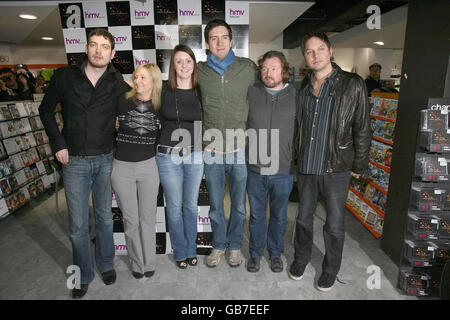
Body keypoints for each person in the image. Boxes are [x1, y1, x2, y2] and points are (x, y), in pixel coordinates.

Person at [39, 29, 129, 299]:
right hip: (74, 160)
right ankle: (83, 274)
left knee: (103, 217)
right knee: (78, 225)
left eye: (104, 47)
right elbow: (45, 110)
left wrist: (121, 121)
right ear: (86, 49)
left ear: (113, 53)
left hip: (105, 159)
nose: (98, 51)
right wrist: (58, 143)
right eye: (94, 45)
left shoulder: (117, 82)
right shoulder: (64, 77)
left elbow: (137, 105)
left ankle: (105, 264)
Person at [289, 32, 371, 292]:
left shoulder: (353, 84)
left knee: (334, 225)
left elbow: (363, 128)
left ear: (331, 50)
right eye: (310, 51)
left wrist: (360, 164)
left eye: (320, 49)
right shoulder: (304, 85)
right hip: (307, 166)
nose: (315, 55)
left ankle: (330, 270)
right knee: (303, 219)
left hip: (337, 167)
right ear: (305, 57)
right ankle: (301, 259)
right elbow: (298, 126)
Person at [197, 19, 258, 268]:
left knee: (239, 207)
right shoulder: (199, 71)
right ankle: (219, 246)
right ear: (207, 44)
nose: (219, 42)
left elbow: (265, 97)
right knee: (215, 206)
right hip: (212, 150)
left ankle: (234, 246)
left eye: (224, 37)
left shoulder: (248, 68)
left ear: (232, 41)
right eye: (214, 38)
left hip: (239, 150)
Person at [246, 51, 298, 273]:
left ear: (284, 70)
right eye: (264, 68)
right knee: (257, 215)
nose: (268, 73)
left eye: (274, 68)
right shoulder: (252, 92)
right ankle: (256, 253)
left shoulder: (296, 95)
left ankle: (275, 253)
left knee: (279, 216)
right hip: (255, 168)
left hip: (283, 169)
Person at [111, 63, 162, 279]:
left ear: (154, 81)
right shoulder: (121, 101)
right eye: (135, 77)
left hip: (149, 166)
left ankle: (149, 263)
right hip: (121, 168)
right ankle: (136, 263)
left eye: (143, 77)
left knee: (148, 218)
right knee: (130, 220)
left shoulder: (162, 106)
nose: (137, 81)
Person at [156, 45, 203, 269]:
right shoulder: (163, 89)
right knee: (174, 207)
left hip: (195, 154)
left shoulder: (200, 90)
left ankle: (191, 249)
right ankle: (180, 251)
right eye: (178, 61)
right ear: (172, 66)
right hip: (168, 156)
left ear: (194, 63)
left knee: (191, 207)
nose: (184, 65)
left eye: (188, 60)